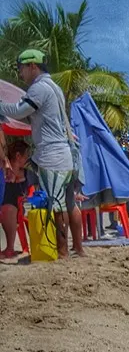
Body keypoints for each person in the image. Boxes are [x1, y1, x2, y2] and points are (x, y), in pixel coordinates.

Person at [0, 50, 77, 258]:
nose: (20, 73)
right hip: (58, 152)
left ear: (32, 66)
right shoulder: (53, 87)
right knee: (60, 202)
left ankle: (62, 252)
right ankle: (64, 250)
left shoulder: (40, 88)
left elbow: (19, 110)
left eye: (21, 68)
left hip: (52, 153)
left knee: (57, 204)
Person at [2, 140, 31, 257]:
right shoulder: (3, 173)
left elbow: (34, 190)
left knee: (10, 209)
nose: (27, 159)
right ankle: (8, 248)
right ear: (18, 156)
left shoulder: (28, 174)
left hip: (21, 207)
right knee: (8, 209)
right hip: (6, 206)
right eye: (26, 156)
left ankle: (11, 248)